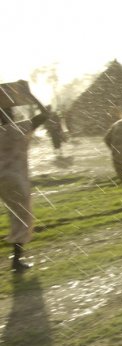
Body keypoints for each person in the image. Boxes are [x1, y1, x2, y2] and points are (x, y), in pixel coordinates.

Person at [0, 81, 49, 271]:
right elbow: (45, 114)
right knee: (22, 218)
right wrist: (31, 95)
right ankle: (16, 261)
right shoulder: (20, 128)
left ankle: (16, 259)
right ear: (12, 114)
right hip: (16, 180)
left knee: (13, 215)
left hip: (1, 180)